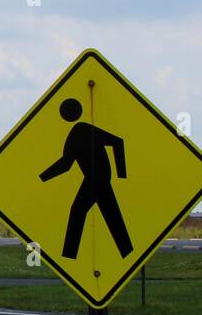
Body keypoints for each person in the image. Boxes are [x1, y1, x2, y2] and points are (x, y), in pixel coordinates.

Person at [39, 97, 133, 260]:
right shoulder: (77, 132)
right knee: (111, 216)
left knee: (78, 211)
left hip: (97, 179)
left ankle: (69, 255)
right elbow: (66, 164)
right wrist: (43, 177)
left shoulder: (82, 129)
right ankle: (127, 252)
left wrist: (122, 175)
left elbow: (118, 142)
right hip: (96, 178)